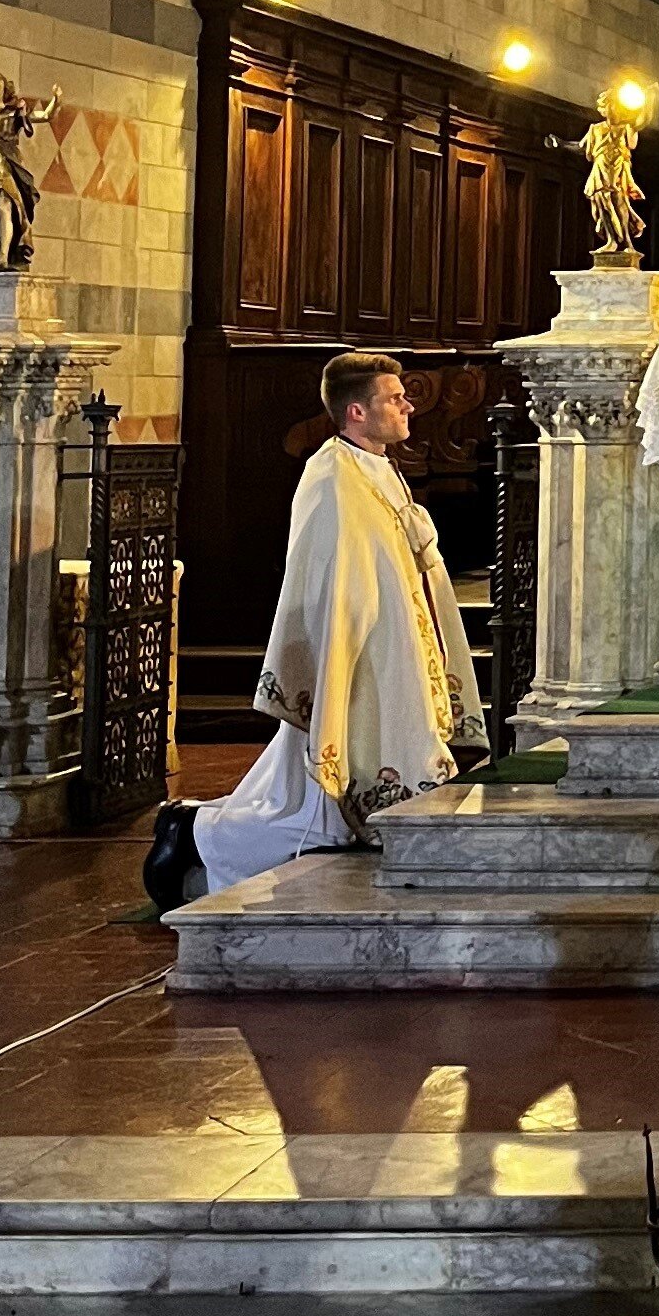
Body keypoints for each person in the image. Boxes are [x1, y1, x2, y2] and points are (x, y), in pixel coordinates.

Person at [158, 352, 485, 903]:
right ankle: (194, 836)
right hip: (352, 653)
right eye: (393, 397)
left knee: (300, 793)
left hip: (390, 646)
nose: (408, 403)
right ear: (356, 411)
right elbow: (324, 577)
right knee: (309, 805)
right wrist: (340, 652)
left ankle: (192, 828)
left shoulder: (377, 465)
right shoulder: (331, 475)